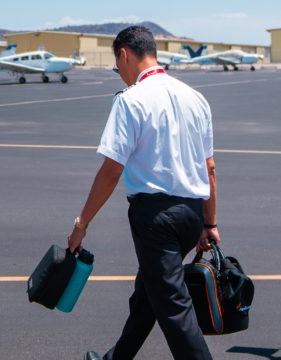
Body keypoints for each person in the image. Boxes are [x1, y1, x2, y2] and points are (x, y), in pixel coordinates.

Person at [66, 26, 218, 360]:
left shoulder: (131, 100)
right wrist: (209, 223)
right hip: (191, 214)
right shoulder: (196, 98)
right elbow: (209, 168)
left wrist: (82, 224)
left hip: (156, 220)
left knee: (174, 309)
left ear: (124, 54)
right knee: (148, 294)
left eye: (116, 64)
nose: (119, 72)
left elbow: (111, 170)